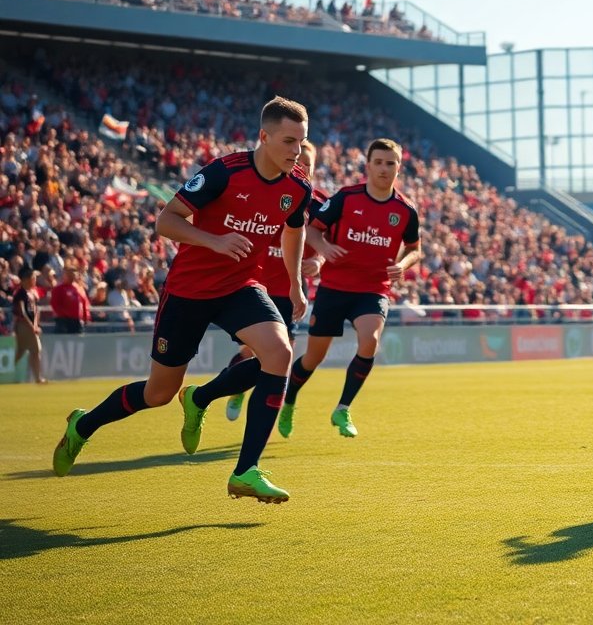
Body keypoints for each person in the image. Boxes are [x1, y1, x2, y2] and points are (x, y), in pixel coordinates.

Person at [51, 96, 313, 503]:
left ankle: (245, 471)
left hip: (240, 287)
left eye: (301, 141)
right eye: (288, 141)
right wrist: (214, 240)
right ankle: (83, 426)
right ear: (264, 137)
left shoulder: (297, 187)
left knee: (279, 353)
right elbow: (166, 220)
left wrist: (295, 283)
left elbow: (294, 230)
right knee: (158, 394)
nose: (296, 151)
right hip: (189, 291)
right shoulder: (224, 172)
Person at [283, 138, 422, 439]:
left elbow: (414, 248)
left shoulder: (405, 210)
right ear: (368, 165)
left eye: (390, 163)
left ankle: (343, 408)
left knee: (370, 340)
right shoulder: (346, 198)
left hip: (373, 290)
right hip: (334, 287)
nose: (384, 169)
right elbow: (312, 230)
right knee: (313, 358)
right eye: (378, 162)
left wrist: (404, 264)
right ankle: (289, 400)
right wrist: (323, 248)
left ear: (399, 167)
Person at [215, 141, 327, 423]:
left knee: (282, 356)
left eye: (308, 164)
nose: (302, 167)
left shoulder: (319, 204)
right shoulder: (267, 190)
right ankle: (235, 390)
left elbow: (327, 242)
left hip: (291, 291)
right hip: (259, 286)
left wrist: (318, 261)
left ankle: (264, 417)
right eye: (298, 162)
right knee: (251, 352)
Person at [12, 266, 46, 383]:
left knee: (21, 351)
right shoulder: (20, 293)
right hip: (23, 326)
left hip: (30, 326)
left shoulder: (32, 293)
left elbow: (35, 311)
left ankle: (7, 370)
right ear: (26, 279)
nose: (35, 280)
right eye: (33, 278)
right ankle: (38, 378)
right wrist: (32, 327)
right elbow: (22, 312)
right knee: (35, 350)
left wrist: (35, 325)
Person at [50, 265, 92, 335]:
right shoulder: (58, 289)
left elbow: (85, 304)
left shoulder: (79, 288)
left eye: (73, 274)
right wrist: (65, 315)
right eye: (69, 274)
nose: (71, 276)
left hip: (78, 322)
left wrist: (86, 317)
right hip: (63, 322)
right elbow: (55, 305)